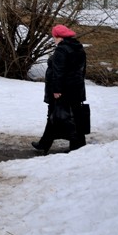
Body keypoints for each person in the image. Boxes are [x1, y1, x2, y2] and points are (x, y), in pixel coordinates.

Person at [32, 24, 87, 155]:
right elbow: (82, 70)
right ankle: (74, 143)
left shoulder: (61, 50)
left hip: (63, 90)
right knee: (74, 115)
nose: (54, 40)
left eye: (54, 37)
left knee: (56, 115)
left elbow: (59, 72)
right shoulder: (78, 48)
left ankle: (48, 144)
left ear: (60, 37)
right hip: (76, 88)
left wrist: (56, 90)